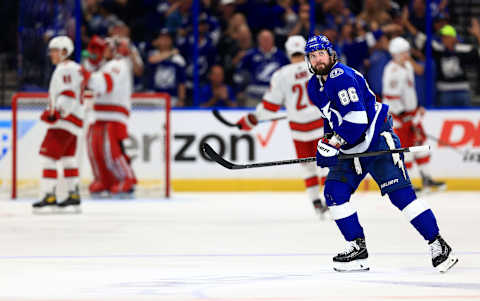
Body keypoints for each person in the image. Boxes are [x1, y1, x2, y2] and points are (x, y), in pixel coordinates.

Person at [305, 34, 458, 272]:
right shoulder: (314, 86)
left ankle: (438, 244)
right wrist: (327, 140)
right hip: (351, 146)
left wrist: (333, 143)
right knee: (334, 193)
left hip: (376, 141)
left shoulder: (341, 77)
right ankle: (357, 249)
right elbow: (331, 119)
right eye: (313, 56)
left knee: (402, 197)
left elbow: (357, 120)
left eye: (321, 54)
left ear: (331, 54)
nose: (318, 60)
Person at [236, 35, 328, 218]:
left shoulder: (281, 74)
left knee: (307, 167)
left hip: (299, 131)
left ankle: (316, 205)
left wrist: (252, 119)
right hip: (319, 126)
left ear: (287, 52)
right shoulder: (317, 68)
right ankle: (331, 203)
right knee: (325, 166)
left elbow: (270, 107)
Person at [382, 37, 446, 192]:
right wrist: (404, 116)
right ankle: (406, 182)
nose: (407, 55)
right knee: (405, 148)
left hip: (411, 114)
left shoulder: (407, 67)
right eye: (403, 53)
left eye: (407, 52)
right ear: (395, 54)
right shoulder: (392, 71)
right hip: (399, 117)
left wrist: (416, 109)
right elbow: (391, 98)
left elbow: (410, 92)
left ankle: (426, 178)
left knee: (420, 144)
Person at [32, 36, 85, 212]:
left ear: (65, 51)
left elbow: (67, 94)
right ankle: (73, 194)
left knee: (48, 158)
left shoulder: (65, 69)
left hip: (63, 121)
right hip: (74, 122)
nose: (52, 54)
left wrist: (55, 113)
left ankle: (49, 195)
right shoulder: (76, 69)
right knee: (68, 159)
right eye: (51, 50)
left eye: (55, 50)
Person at [86, 36, 137, 196]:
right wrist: (90, 63)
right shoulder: (106, 65)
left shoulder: (118, 65)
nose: (103, 51)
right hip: (100, 114)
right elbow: (94, 76)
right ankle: (104, 180)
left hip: (114, 115)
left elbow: (104, 85)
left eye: (107, 47)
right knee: (95, 150)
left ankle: (126, 180)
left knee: (111, 151)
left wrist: (84, 74)